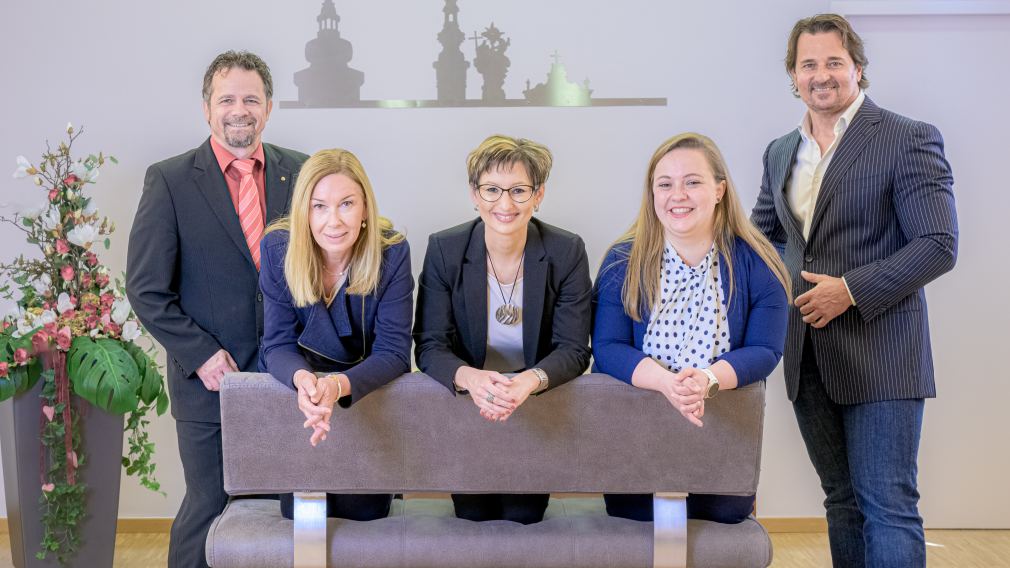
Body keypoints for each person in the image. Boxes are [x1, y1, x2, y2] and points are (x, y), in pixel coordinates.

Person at [751, 14, 958, 567]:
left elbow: (938, 243)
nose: (821, 75)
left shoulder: (907, 137)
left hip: (882, 352)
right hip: (806, 354)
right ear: (793, 75)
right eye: (808, 64)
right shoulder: (778, 151)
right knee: (841, 503)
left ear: (858, 69)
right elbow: (763, 243)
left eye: (833, 63)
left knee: (887, 504)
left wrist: (851, 289)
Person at [126, 51, 308, 567]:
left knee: (295, 510)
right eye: (226, 98)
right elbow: (146, 288)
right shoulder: (170, 180)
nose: (239, 109)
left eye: (251, 98)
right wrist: (202, 354)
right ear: (206, 108)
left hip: (291, 377)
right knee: (208, 509)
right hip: (210, 381)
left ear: (268, 108)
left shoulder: (302, 173)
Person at [593, 132, 789, 523]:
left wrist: (705, 381)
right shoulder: (621, 261)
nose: (677, 195)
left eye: (692, 182)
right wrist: (668, 384)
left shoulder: (759, 263)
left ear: (719, 190)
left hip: (721, 433)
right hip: (634, 435)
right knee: (632, 512)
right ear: (652, 194)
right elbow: (607, 345)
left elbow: (765, 350)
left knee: (723, 511)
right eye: (665, 184)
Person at [413, 134, 592, 524]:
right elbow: (429, 345)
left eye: (519, 190)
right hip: (468, 403)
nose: (505, 204)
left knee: (524, 516)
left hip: (535, 403)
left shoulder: (566, 252)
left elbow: (574, 348)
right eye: (492, 190)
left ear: (539, 195)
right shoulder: (445, 250)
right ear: (474, 194)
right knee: (473, 516)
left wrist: (529, 381)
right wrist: (471, 379)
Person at [258, 148, 413, 520]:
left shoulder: (392, 251)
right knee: (302, 517)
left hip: (367, 396)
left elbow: (394, 352)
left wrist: (337, 387)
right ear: (304, 212)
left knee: (365, 519)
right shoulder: (278, 246)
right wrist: (305, 383)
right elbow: (276, 345)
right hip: (304, 401)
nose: (334, 220)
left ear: (364, 209)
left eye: (346, 204)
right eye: (319, 206)